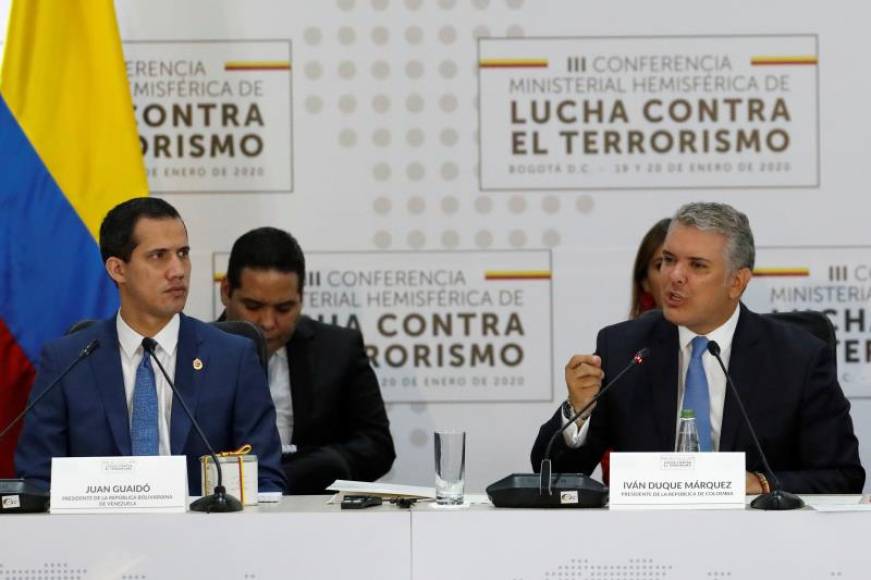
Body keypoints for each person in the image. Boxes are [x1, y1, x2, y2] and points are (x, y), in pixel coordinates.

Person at [532, 202, 864, 494]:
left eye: (697, 265)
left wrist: (759, 484)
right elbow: (553, 474)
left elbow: (842, 476)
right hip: (647, 539)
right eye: (668, 260)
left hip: (761, 542)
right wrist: (578, 413)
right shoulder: (624, 348)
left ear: (737, 281)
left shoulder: (798, 358)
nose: (674, 276)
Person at [15, 198, 286, 495]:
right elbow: (37, 480)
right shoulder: (67, 361)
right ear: (118, 269)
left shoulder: (232, 358)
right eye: (159, 256)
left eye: (183, 254)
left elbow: (265, 480)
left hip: (205, 536)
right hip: (95, 536)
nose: (178, 270)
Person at [220, 227, 395, 494]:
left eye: (284, 308)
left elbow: (377, 446)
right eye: (253, 306)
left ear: (301, 299)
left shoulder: (338, 349)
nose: (268, 323)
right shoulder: (191, 350)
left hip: (315, 511)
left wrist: (324, 465)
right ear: (226, 291)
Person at [629, 218, 671, 319]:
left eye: (696, 265)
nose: (676, 275)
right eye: (661, 265)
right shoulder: (614, 335)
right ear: (645, 282)